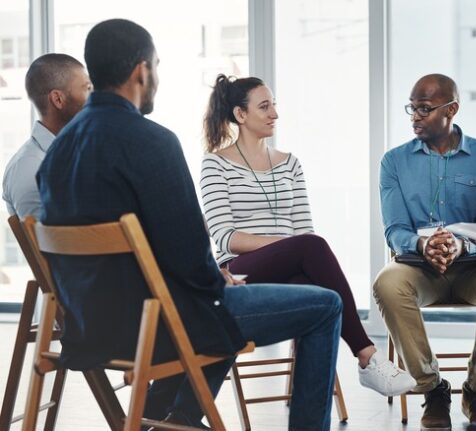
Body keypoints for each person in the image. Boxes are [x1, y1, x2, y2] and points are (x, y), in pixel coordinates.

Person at [36, 19, 342, 430]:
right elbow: (190, 257)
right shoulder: (152, 142)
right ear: (141, 72)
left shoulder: (57, 153)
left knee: (209, 301)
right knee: (324, 305)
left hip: (88, 328)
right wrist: (219, 279)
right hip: (156, 327)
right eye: (157, 68)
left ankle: (167, 418)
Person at [199, 74, 416, 397]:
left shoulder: (290, 164)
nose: (274, 113)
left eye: (274, 105)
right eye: (264, 106)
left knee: (317, 293)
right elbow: (226, 237)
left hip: (293, 263)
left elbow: (304, 231)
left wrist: (292, 248)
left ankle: (312, 408)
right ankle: (367, 356)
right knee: (311, 248)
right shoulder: (216, 164)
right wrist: (288, 246)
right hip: (242, 269)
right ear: (240, 115)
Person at [372, 73, 476, 429]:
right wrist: (422, 244)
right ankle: (433, 389)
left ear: (452, 109)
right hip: (418, 267)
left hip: (472, 267)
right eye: (412, 108)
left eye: (425, 109)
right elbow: (394, 229)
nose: (415, 116)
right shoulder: (394, 162)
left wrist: (460, 245)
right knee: (387, 283)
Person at [2, 53, 91, 219]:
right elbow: (48, 242)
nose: (93, 98)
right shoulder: (29, 166)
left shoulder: (75, 152)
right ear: (58, 99)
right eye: (87, 89)